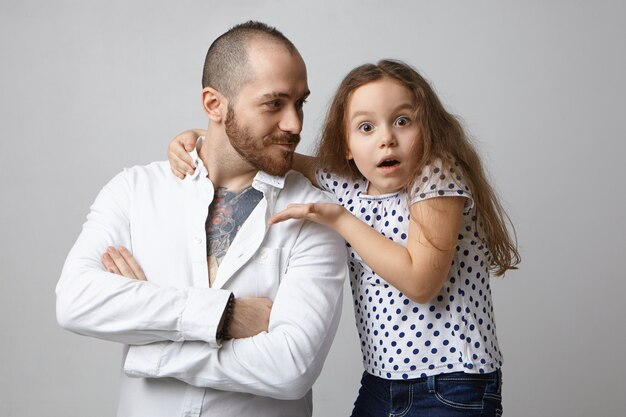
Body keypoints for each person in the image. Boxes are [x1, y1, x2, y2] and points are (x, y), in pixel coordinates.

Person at [168, 59, 520, 416]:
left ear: (428, 129)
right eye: (366, 127)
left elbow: (421, 281)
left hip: (451, 383)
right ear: (348, 147)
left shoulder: (435, 175)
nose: (386, 138)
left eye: (403, 121)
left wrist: (340, 219)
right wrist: (196, 139)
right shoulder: (349, 186)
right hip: (383, 381)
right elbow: (272, 155)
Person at [56, 21, 348, 417]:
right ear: (214, 104)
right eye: (274, 103)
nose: (295, 123)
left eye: (300, 103)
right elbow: (76, 301)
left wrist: (149, 345)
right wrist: (227, 316)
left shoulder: (316, 214)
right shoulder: (136, 190)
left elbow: (291, 367)